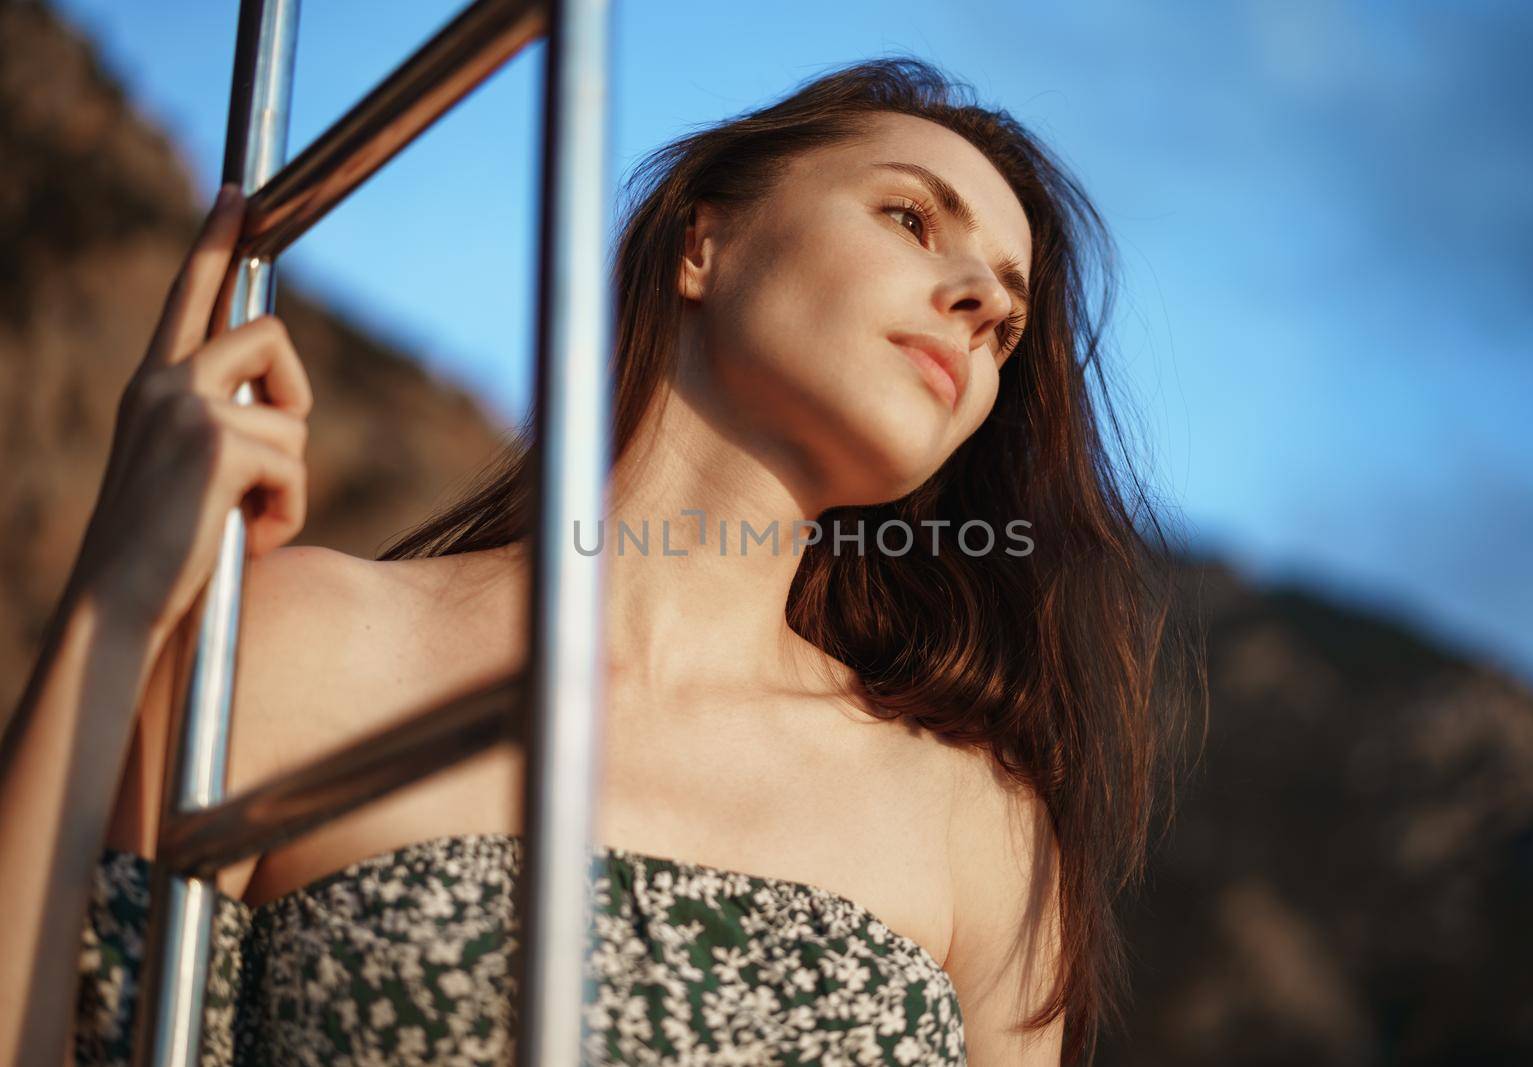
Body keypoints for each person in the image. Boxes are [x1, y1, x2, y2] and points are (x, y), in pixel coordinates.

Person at [1, 58, 1196, 1066]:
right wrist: (118, 590)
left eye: (1006, 322)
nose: (980, 299)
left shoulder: (976, 824)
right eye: (909, 217)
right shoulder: (311, 636)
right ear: (703, 243)